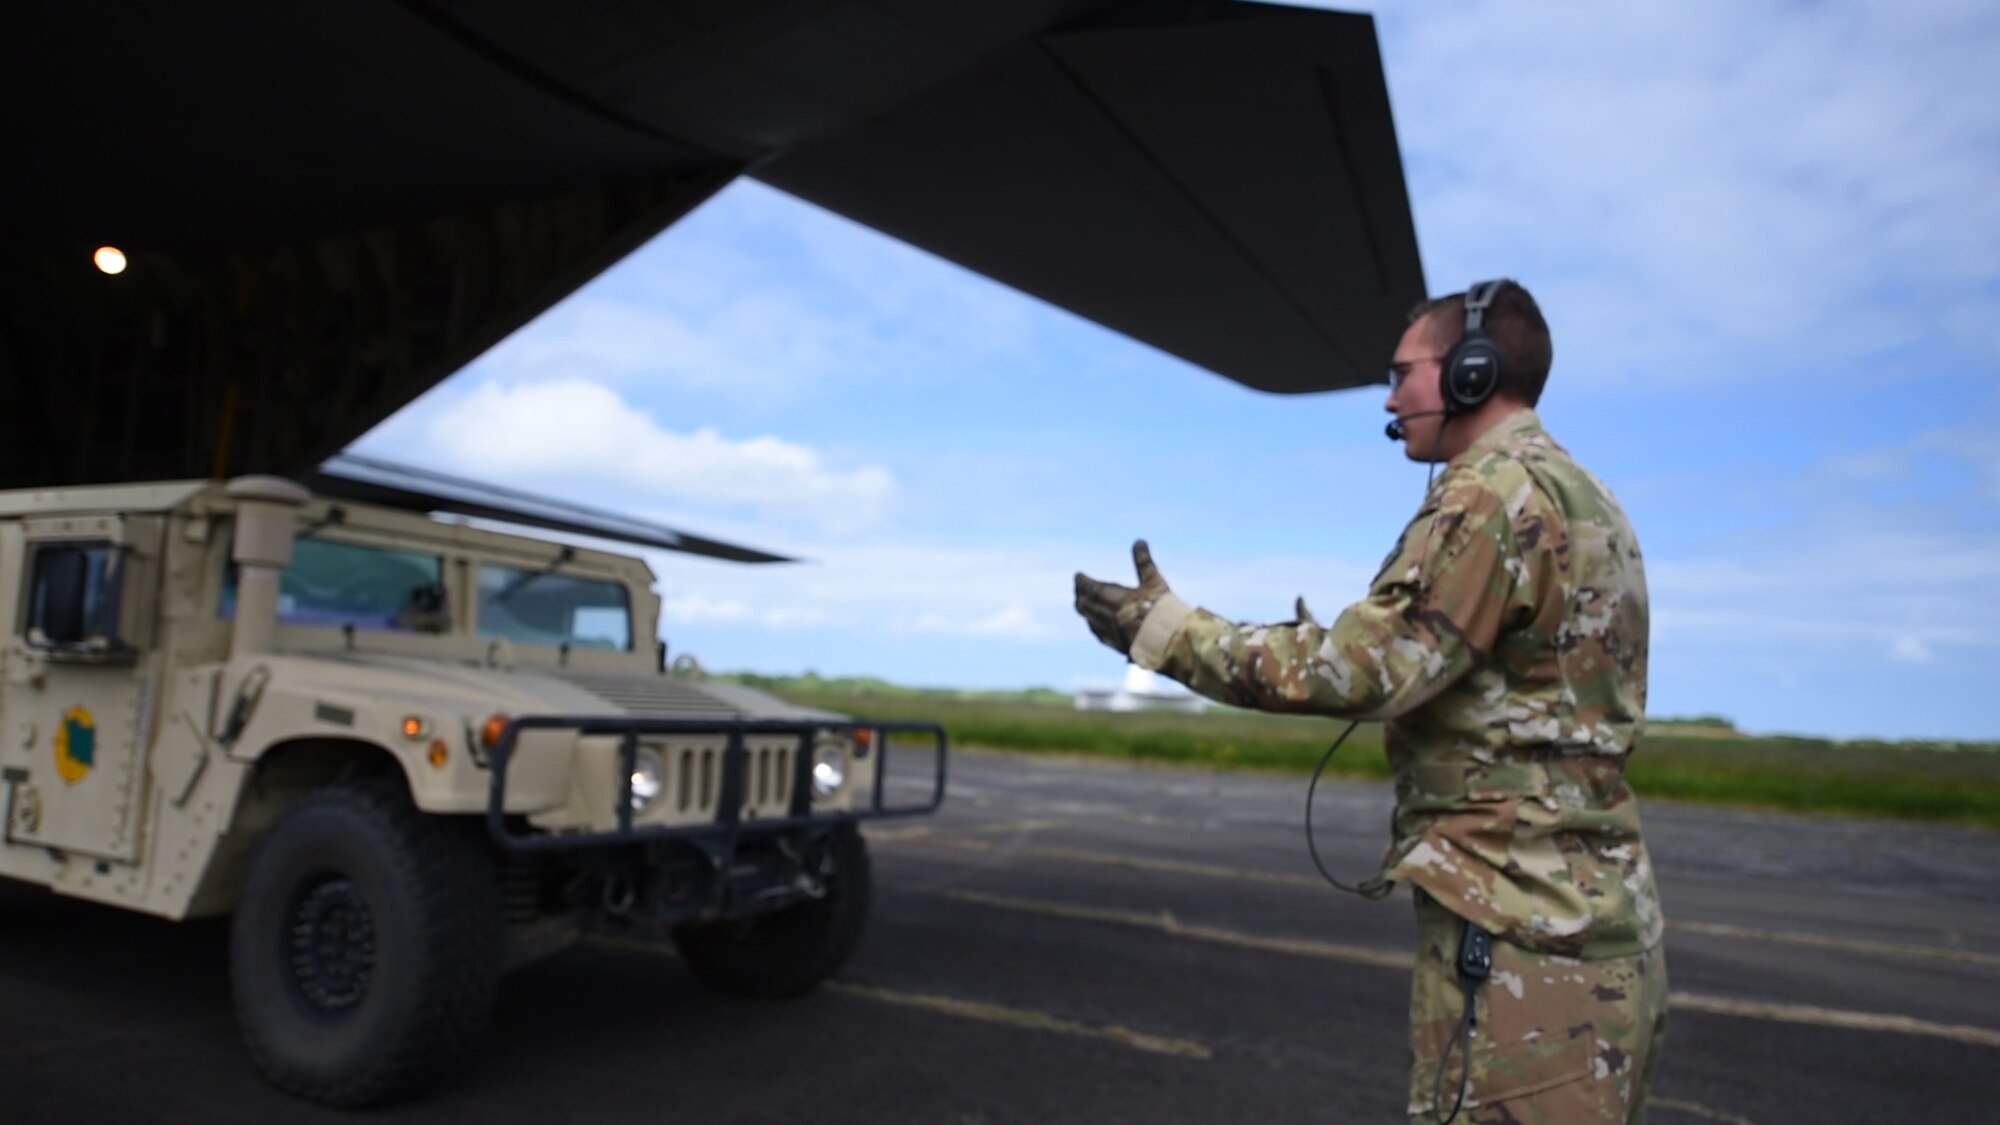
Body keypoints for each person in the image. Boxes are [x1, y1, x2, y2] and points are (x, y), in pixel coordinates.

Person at [1074, 280, 1667, 1124]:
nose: (1389, 398)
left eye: (1404, 373)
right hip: (1595, 932)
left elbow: (1364, 671)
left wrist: (1167, 632)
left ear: (1471, 372)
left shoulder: (1490, 494)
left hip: (1522, 944)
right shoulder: (1581, 492)